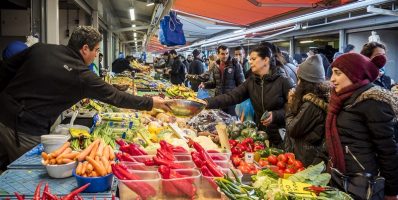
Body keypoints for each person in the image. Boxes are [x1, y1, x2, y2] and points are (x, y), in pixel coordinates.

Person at [0, 26, 169, 168]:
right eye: (96, 50)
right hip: (23, 130)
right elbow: (116, 97)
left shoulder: (40, 48)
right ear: (85, 48)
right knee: (27, 173)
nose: (97, 55)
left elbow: (6, 70)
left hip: (3, 112)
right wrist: (152, 102)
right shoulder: (82, 75)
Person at [327, 53, 398, 199]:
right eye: (332, 73)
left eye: (337, 73)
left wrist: (392, 191)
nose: (332, 79)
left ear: (354, 74)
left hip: (364, 184)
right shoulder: (339, 100)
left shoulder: (372, 102)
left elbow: (388, 150)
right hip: (341, 179)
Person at [205, 44, 294, 147]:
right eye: (250, 59)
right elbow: (231, 96)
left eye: (253, 59)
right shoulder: (251, 82)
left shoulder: (284, 81)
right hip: (260, 136)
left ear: (265, 60)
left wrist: (275, 115)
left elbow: (294, 109)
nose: (250, 62)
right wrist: (206, 102)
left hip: (281, 137)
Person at [285, 54, 329, 167]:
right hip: (309, 155)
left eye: (299, 79)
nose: (297, 83)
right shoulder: (318, 98)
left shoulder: (311, 104)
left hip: (306, 158)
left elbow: (293, 129)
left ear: (305, 82)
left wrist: (290, 106)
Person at [199, 45, 245, 116]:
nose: (225, 56)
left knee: (231, 122)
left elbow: (241, 84)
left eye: (227, 53)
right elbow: (215, 83)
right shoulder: (216, 66)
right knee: (219, 121)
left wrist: (238, 99)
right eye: (222, 54)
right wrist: (205, 84)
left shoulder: (235, 65)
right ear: (218, 54)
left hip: (230, 100)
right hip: (218, 99)